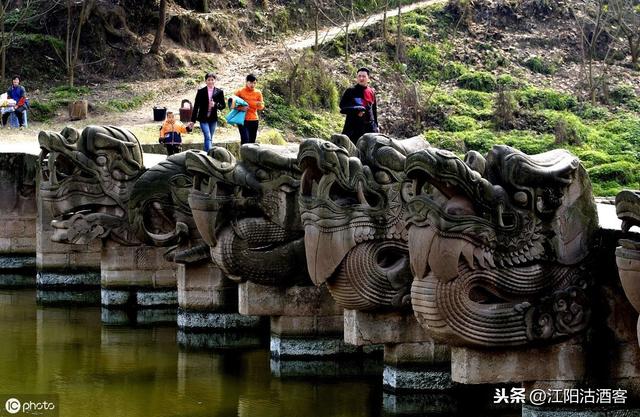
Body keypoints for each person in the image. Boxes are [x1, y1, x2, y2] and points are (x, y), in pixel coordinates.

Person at [339, 67, 379, 144]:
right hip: (353, 127)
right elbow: (342, 105)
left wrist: (376, 125)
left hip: (369, 127)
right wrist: (356, 110)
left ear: (368, 78)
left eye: (364, 76)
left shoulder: (371, 92)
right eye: (359, 76)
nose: (361, 78)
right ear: (356, 77)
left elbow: (374, 110)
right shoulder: (350, 91)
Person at [189, 72, 225, 152]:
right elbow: (196, 107)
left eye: (212, 80)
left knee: (209, 138)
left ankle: (204, 156)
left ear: (215, 81)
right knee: (208, 137)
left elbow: (223, 106)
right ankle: (208, 157)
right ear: (205, 81)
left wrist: (215, 104)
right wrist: (192, 120)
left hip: (213, 119)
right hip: (203, 118)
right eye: (208, 80)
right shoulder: (201, 92)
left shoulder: (219, 92)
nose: (210, 82)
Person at [234, 74, 264, 144]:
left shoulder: (258, 93)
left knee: (252, 142)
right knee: (245, 140)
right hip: (242, 120)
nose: (252, 85)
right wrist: (241, 108)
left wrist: (258, 105)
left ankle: (250, 155)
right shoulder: (240, 91)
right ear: (246, 82)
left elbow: (262, 106)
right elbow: (231, 104)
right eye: (250, 82)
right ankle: (243, 155)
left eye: (254, 83)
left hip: (254, 119)